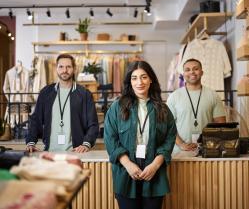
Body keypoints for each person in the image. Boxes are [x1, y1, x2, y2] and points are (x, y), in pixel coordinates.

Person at [104, 61, 176, 209]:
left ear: (151, 79)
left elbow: (170, 137)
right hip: (125, 173)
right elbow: (110, 138)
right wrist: (127, 164)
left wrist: (155, 165)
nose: (139, 82)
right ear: (129, 82)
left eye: (143, 77)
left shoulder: (162, 109)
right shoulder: (117, 107)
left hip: (154, 174)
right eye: (134, 78)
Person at [26, 54, 99, 153]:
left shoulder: (84, 94)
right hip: (49, 153)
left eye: (68, 67)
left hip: (75, 153)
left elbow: (93, 124)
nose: (64, 70)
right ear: (56, 68)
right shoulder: (46, 93)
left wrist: (87, 143)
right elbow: (35, 120)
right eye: (61, 66)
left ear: (74, 69)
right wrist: (31, 142)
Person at [167, 58, 226, 153]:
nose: (192, 72)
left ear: (202, 72)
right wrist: (181, 144)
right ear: (183, 74)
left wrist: (210, 143)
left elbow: (221, 124)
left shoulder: (213, 95)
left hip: (207, 151)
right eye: (187, 70)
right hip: (179, 152)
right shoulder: (174, 97)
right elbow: (168, 126)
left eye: (195, 69)